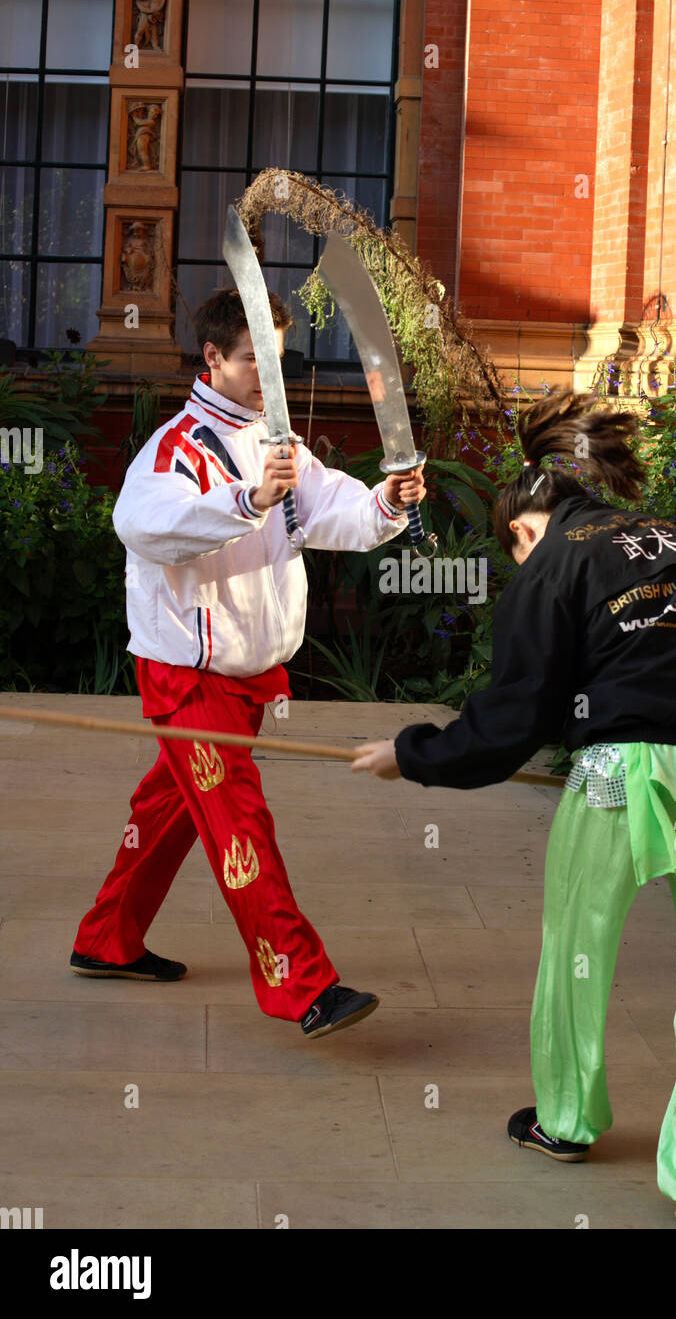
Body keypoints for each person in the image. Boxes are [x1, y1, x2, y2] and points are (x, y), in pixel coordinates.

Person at [352, 387, 676, 1226]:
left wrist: (411, 755)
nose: (518, 560)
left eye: (514, 543)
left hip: (619, 771)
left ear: (532, 519)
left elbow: (516, 710)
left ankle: (567, 1121)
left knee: (577, 951)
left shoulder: (555, 559)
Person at [71, 286, 425, 1040]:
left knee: (166, 813)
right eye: (255, 358)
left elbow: (341, 515)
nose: (273, 374)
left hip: (245, 677)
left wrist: (389, 501)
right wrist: (246, 498)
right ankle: (303, 987)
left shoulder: (282, 444)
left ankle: (106, 940)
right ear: (213, 358)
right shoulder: (172, 448)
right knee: (241, 828)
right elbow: (139, 526)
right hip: (189, 677)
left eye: (278, 357)